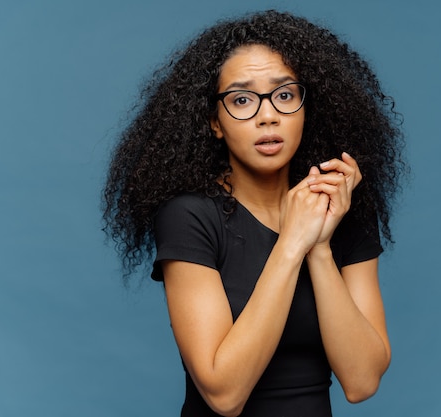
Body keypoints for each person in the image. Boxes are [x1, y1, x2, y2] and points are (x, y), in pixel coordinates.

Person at [102, 9, 405, 417]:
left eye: (284, 95)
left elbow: (362, 381)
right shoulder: (189, 216)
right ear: (215, 122)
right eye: (241, 99)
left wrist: (319, 249)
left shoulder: (340, 209)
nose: (267, 115)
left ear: (305, 108)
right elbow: (224, 395)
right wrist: (293, 243)